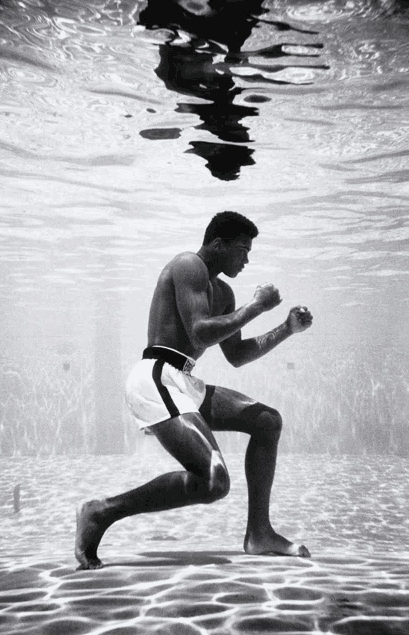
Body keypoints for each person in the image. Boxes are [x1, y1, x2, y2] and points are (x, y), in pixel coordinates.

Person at [75, 211, 313, 569]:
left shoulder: (223, 292)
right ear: (219, 244)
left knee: (267, 421)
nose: (247, 259)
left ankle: (260, 534)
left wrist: (285, 328)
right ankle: (101, 512)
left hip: (184, 381)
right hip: (155, 375)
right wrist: (256, 306)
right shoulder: (188, 265)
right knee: (215, 481)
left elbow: (237, 354)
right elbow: (200, 331)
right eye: (242, 250)